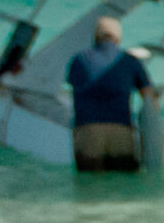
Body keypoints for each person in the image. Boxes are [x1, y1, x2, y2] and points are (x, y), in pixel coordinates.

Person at [64, 16, 154, 172]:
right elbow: (149, 98)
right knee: (124, 187)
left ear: (95, 36)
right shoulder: (130, 61)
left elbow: (75, 88)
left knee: (90, 188)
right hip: (121, 131)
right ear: (118, 37)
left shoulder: (78, 60)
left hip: (88, 130)